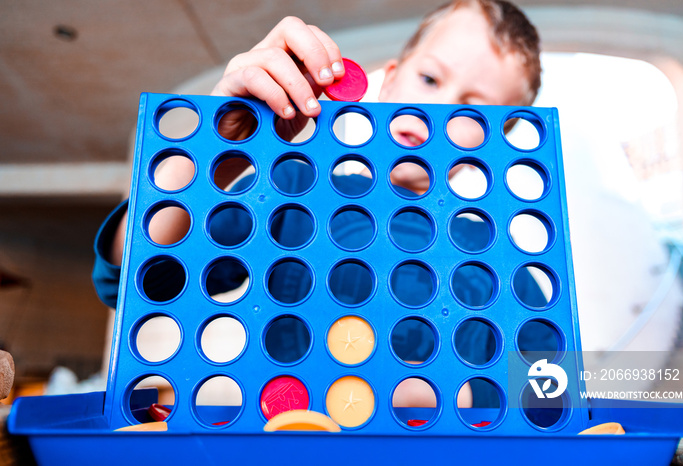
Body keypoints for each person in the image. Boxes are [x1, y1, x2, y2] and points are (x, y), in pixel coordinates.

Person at [93, 0, 550, 412]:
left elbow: (553, 392)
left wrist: (455, 391)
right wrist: (220, 145)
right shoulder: (293, 189)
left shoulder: (508, 264)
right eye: (429, 78)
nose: (439, 109)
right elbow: (139, 279)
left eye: (473, 109)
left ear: (499, 141)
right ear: (388, 81)